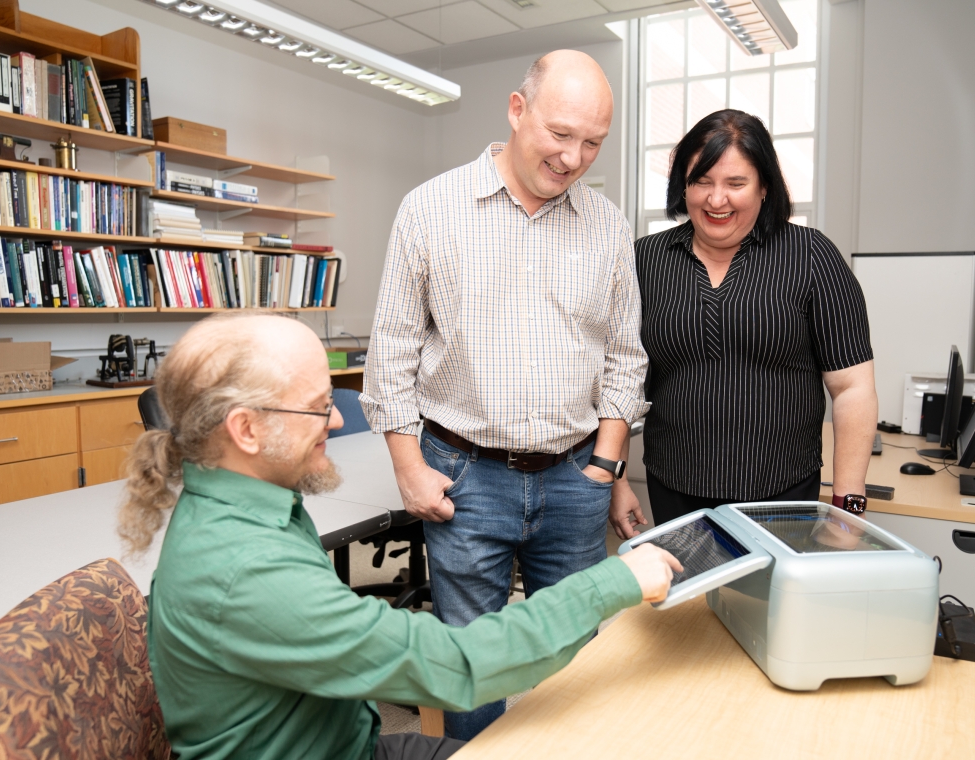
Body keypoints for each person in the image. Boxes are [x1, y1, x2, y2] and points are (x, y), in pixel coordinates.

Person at [119, 313, 680, 760]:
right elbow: (456, 665)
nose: (336, 422)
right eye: (318, 407)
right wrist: (616, 580)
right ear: (245, 429)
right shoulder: (244, 571)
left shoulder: (244, 505)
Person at [361, 51, 649, 740]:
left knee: (578, 659)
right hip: (462, 475)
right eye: (561, 133)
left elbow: (624, 359)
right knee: (472, 666)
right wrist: (408, 466)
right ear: (517, 112)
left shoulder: (608, 226)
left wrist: (607, 468)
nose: (574, 156)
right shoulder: (429, 209)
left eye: (593, 142)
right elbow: (393, 353)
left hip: (576, 478)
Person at [614, 109, 877, 537]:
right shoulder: (645, 260)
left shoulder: (811, 256)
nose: (717, 200)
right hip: (675, 491)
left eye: (736, 183)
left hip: (783, 494)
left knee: (771, 605)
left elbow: (852, 388)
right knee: (690, 603)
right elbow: (620, 381)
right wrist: (618, 480)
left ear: (764, 187)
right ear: (684, 184)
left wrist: (846, 504)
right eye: (702, 181)